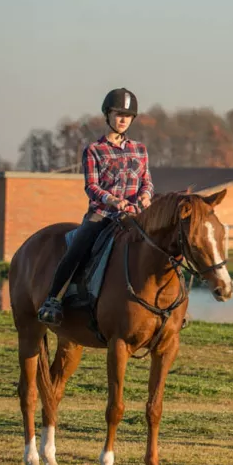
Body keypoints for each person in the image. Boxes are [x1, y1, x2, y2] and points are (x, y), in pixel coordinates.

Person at [37, 88, 154, 326]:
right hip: (102, 216)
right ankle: (53, 300)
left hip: (135, 217)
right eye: (118, 114)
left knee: (165, 247)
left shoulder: (140, 150)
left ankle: (173, 307)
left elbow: (147, 181)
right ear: (107, 115)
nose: (123, 119)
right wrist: (112, 200)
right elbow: (91, 186)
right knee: (77, 249)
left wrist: (146, 195)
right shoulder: (93, 150)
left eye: (127, 116)